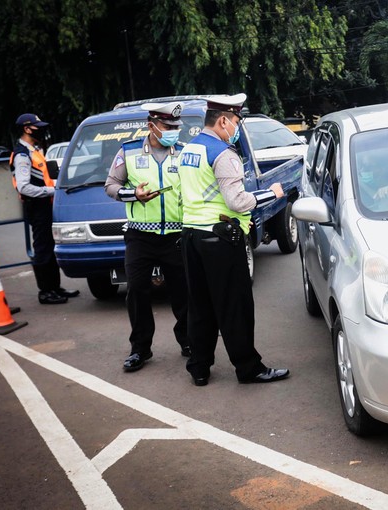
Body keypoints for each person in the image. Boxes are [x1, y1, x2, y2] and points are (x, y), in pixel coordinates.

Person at [178, 93, 289, 387]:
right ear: (224, 120)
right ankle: (248, 368)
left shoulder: (188, 150)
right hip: (220, 240)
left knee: (199, 306)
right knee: (234, 305)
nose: (238, 128)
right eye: (237, 121)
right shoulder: (223, 153)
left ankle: (199, 367)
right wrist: (272, 194)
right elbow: (237, 201)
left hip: (191, 236)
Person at [105, 101, 190, 372]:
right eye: (168, 127)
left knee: (183, 292)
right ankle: (140, 349)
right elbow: (111, 186)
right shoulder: (128, 152)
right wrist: (134, 195)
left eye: (176, 127)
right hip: (140, 236)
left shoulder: (185, 153)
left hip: (177, 234)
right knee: (137, 292)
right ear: (151, 126)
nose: (173, 131)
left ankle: (189, 341)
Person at [9, 113, 80, 305]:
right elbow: (23, 187)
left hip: (45, 205)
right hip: (37, 206)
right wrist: (52, 191)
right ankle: (45, 292)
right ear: (27, 129)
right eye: (37, 126)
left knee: (50, 246)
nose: (41, 130)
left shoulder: (34, 150)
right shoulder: (22, 155)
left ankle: (55, 288)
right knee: (42, 248)